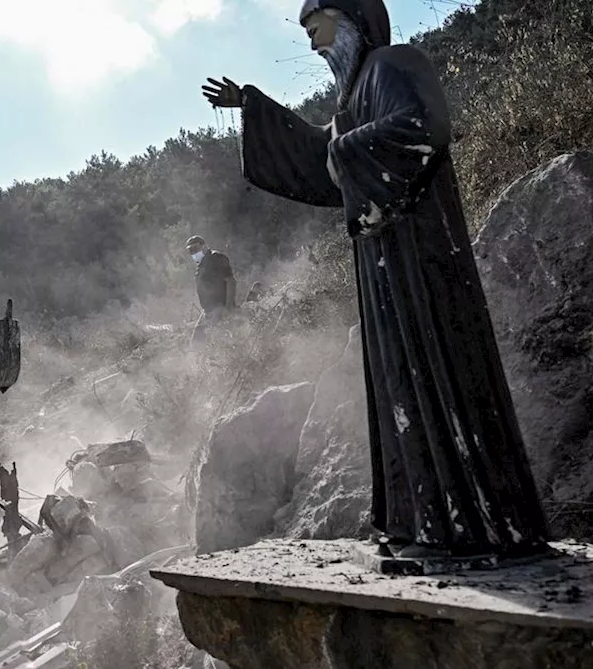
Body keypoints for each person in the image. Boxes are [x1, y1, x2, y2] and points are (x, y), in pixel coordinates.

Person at [200, 0, 549, 560]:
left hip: (424, 255)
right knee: (401, 385)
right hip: (383, 261)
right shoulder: (353, 96)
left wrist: (343, 153)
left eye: (317, 29)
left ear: (351, 18)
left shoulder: (394, 64)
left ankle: (477, 526)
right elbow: (321, 158)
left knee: (440, 372)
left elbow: (424, 127)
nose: (314, 46)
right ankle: (427, 524)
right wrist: (254, 108)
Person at [186, 235, 237, 343]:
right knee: (196, 341)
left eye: (195, 248)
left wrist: (228, 308)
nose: (193, 253)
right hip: (207, 310)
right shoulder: (200, 266)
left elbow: (230, 281)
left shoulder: (216, 258)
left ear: (204, 246)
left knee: (215, 339)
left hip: (219, 307)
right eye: (190, 250)